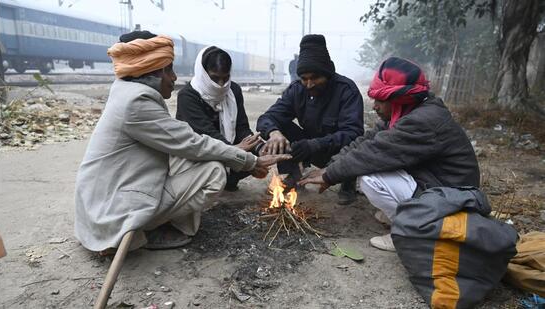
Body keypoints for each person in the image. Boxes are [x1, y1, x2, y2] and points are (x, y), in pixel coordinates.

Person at [74, 31, 289, 254]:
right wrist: (249, 160)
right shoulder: (138, 101)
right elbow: (193, 143)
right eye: (168, 70)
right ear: (150, 72)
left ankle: (157, 220)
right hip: (109, 211)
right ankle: (144, 229)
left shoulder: (127, 91)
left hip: (107, 197)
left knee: (199, 160)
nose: (174, 77)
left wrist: (251, 151)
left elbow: (193, 143)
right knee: (214, 172)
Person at [299, 57, 480, 251]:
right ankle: (407, 213)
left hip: (454, 198)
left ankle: (407, 232)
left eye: (380, 100)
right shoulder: (405, 112)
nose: (375, 106)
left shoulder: (421, 121)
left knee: (369, 177)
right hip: (439, 183)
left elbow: (372, 153)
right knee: (367, 165)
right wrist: (331, 166)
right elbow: (366, 141)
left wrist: (329, 175)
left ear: (400, 99)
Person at [257, 34, 364, 205]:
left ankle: (347, 184)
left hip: (338, 152)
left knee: (354, 143)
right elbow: (266, 118)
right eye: (304, 78)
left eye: (315, 78)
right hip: (309, 148)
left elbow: (354, 134)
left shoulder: (346, 90)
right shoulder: (296, 90)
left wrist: (315, 144)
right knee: (279, 126)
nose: (309, 84)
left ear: (327, 75)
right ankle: (292, 176)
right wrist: (274, 133)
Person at [176, 46, 261, 191]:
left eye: (225, 78)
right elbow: (206, 133)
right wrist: (235, 151)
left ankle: (229, 179)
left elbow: (241, 127)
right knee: (240, 157)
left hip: (227, 148)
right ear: (203, 73)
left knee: (257, 151)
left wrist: (258, 147)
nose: (221, 85)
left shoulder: (233, 90)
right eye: (214, 78)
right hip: (200, 152)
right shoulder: (188, 96)